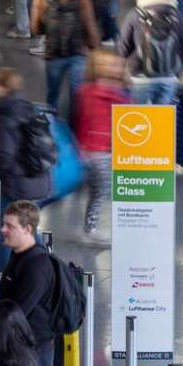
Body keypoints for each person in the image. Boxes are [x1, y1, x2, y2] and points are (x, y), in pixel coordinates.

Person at [0, 200, 65, 366]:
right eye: (4, 224)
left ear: (28, 229)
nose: (2, 230)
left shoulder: (37, 266)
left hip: (32, 349)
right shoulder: (18, 254)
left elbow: (19, 310)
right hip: (18, 344)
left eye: (10, 226)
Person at [31, 0, 100, 115]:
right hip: (78, 52)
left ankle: (51, 125)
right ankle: (76, 127)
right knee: (77, 94)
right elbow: (90, 27)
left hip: (53, 53)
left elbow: (35, 30)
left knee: (53, 93)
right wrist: (95, 49)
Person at [73, 50, 128, 238]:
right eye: (107, 64)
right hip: (95, 149)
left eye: (114, 64)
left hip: (107, 148)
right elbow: (76, 119)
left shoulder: (118, 93)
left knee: (101, 189)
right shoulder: (86, 92)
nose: (111, 68)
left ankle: (90, 226)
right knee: (102, 189)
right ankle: (90, 227)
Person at [0, 68, 50, 213]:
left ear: (4, 87)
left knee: (9, 225)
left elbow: (3, 154)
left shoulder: (5, 115)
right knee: (24, 224)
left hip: (14, 183)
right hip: (31, 178)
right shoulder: (26, 106)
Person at [117, 0, 183, 106]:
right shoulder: (176, 15)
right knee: (162, 122)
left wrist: (124, 72)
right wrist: (176, 74)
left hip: (140, 77)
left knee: (140, 119)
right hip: (169, 77)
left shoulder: (135, 15)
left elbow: (123, 47)